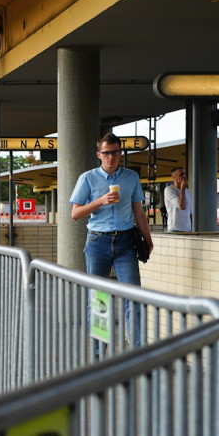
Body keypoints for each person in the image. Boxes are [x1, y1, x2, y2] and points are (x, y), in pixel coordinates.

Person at [70, 133, 154, 345]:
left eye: (116, 152)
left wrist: (147, 239)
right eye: (107, 153)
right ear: (99, 154)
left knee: (134, 297)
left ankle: (138, 351)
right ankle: (99, 352)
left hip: (126, 242)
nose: (111, 157)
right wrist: (99, 201)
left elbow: (139, 211)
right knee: (99, 297)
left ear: (120, 153)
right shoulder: (87, 178)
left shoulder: (131, 177)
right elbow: (75, 213)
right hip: (97, 242)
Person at [164, 167, 193, 232]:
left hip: (187, 228)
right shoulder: (169, 190)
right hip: (175, 228)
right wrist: (182, 189)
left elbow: (190, 212)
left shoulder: (188, 191)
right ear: (174, 178)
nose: (184, 176)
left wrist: (191, 227)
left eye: (184, 174)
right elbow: (181, 206)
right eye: (181, 174)